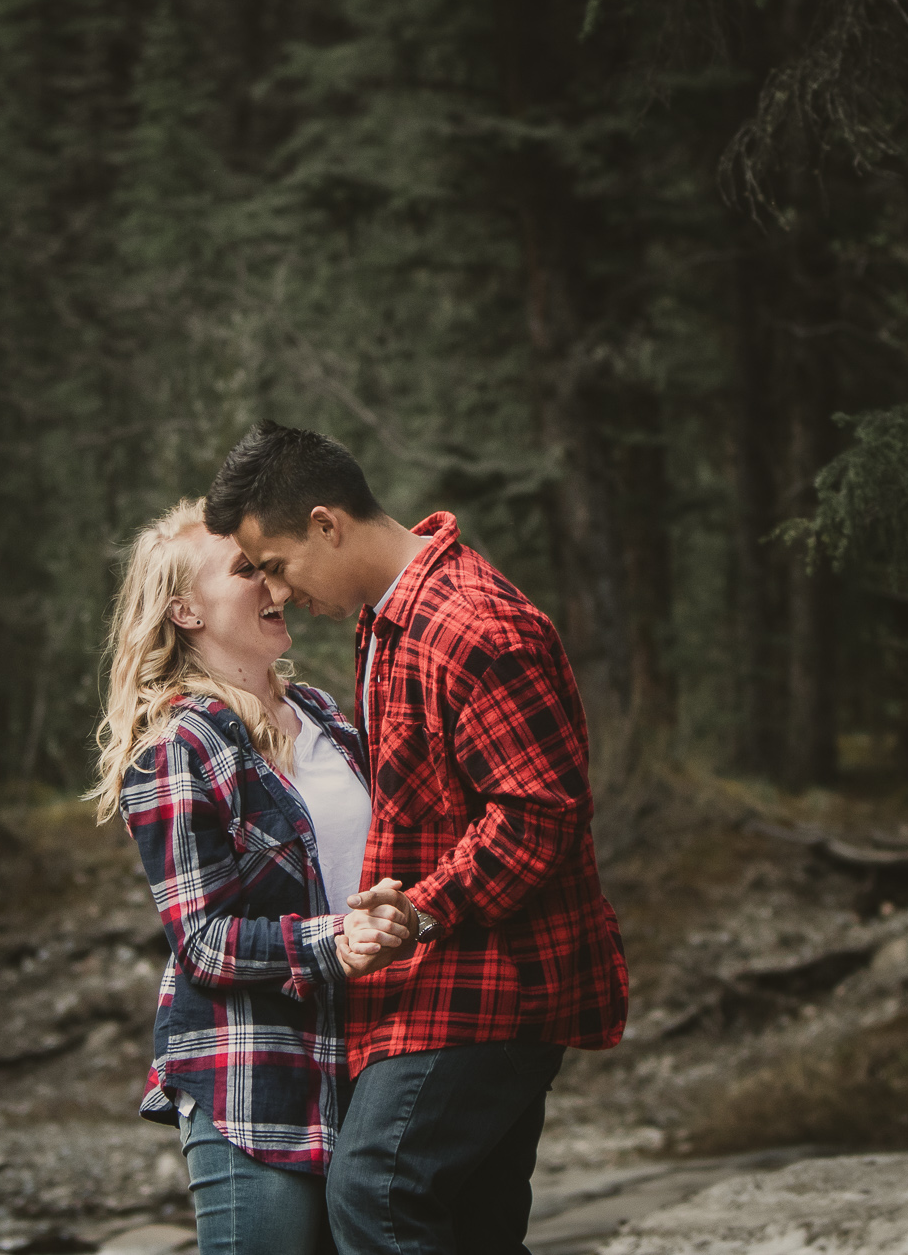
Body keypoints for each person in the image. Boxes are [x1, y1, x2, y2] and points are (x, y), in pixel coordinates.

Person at [206, 421, 628, 1255]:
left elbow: (540, 814)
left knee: (377, 1193)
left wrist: (422, 908)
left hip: (496, 982)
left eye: (280, 566)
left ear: (327, 523)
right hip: (440, 978)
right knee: (472, 1226)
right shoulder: (392, 622)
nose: (279, 594)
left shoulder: (476, 625)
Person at [86, 496, 411, 1255]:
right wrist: (339, 938)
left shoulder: (325, 716)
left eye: (268, 564)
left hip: (363, 1072)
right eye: (244, 569)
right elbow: (202, 941)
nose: (273, 582)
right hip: (253, 1087)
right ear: (186, 610)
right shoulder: (177, 745)